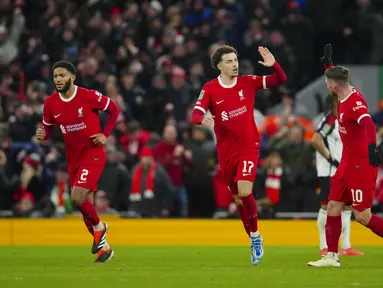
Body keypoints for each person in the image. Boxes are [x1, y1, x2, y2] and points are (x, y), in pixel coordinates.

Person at [191, 45, 287, 265]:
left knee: (245, 191)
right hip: (226, 153)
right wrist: (202, 119)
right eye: (229, 61)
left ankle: (255, 238)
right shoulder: (210, 88)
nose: (234, 64)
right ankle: (254, 237)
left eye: (235, 60)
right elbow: (196, 112)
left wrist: (274, 65)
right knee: (238, 201)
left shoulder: (247, 82)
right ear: (219, 66)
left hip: (248, 147)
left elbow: (279, 79)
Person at [36, 61, 120, 262]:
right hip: (73, 158)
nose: (58, 79)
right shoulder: (50, 103)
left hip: (93, 153)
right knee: (84, 207)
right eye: (55, 76)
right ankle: (105, 250)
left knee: (77, 196)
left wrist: (105, 134)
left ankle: (101, 228)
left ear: (72, 77)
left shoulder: (88, 96)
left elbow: (114, 109)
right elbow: (48, 129)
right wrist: (43, 133)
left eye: (62, 75)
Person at [308, 44, 383, 267]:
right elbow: (335, 78)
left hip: (361, 164)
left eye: (326, 82)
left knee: (362, 216)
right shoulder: (343, 91)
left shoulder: (353, 103)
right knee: (333, 205)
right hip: (347, 163)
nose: (326, 85)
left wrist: (372, 148)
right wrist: (329, 65)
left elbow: (368, 124)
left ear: (332, 85)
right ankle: (331, 257)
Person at [312, 94, 364, 256]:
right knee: (327, 206)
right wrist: (331, 159)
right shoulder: (329, 120)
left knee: (347, 206)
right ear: (333, 104)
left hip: (343, 170)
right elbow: (315, 139)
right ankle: (323, 246)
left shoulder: (344, 121)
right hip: (329, 171)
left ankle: (346, 246)